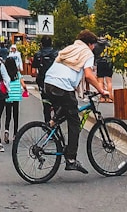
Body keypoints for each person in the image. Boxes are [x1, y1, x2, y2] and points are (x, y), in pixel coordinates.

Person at [42, 30, 109, 174]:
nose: (94, 48)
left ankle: (53, 122)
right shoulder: (87, 53)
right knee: (74, 122)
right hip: (62, 86)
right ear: (90, 44)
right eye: (93, 45)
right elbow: (89, 75)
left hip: (48, 82)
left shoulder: (70, 48)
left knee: (69, 106)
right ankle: (71, 159)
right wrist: (102, 90)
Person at [31, 36, 59, 125]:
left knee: (46, 105)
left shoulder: (38, 54)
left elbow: (33, 72)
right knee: (56, 104)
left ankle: (48, 126)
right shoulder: (57, 53)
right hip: (55, 81)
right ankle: (55, 123)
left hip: (43, 82)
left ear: (41, 44)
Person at [2, 56, 24, 144]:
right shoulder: (17, 74)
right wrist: (25, 89)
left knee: (8, 115)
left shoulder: (5, 74)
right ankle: (15, 134)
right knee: (15, 115)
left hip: (8, 96)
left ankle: (6, 130)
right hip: (16, 96)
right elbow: (23, 84)